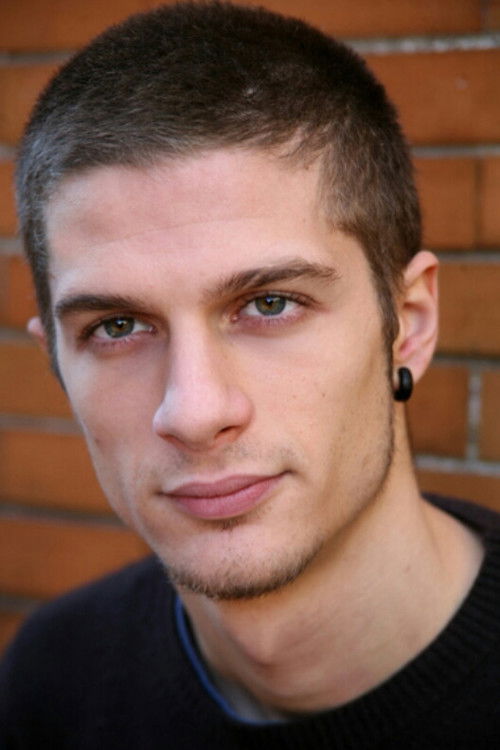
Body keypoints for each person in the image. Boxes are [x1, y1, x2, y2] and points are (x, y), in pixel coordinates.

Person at [1, 2, 500, 747]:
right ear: (56, 362)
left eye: (270, 304)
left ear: (409, 323)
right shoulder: (51, 679)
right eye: (118, 326)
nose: (195, 411)